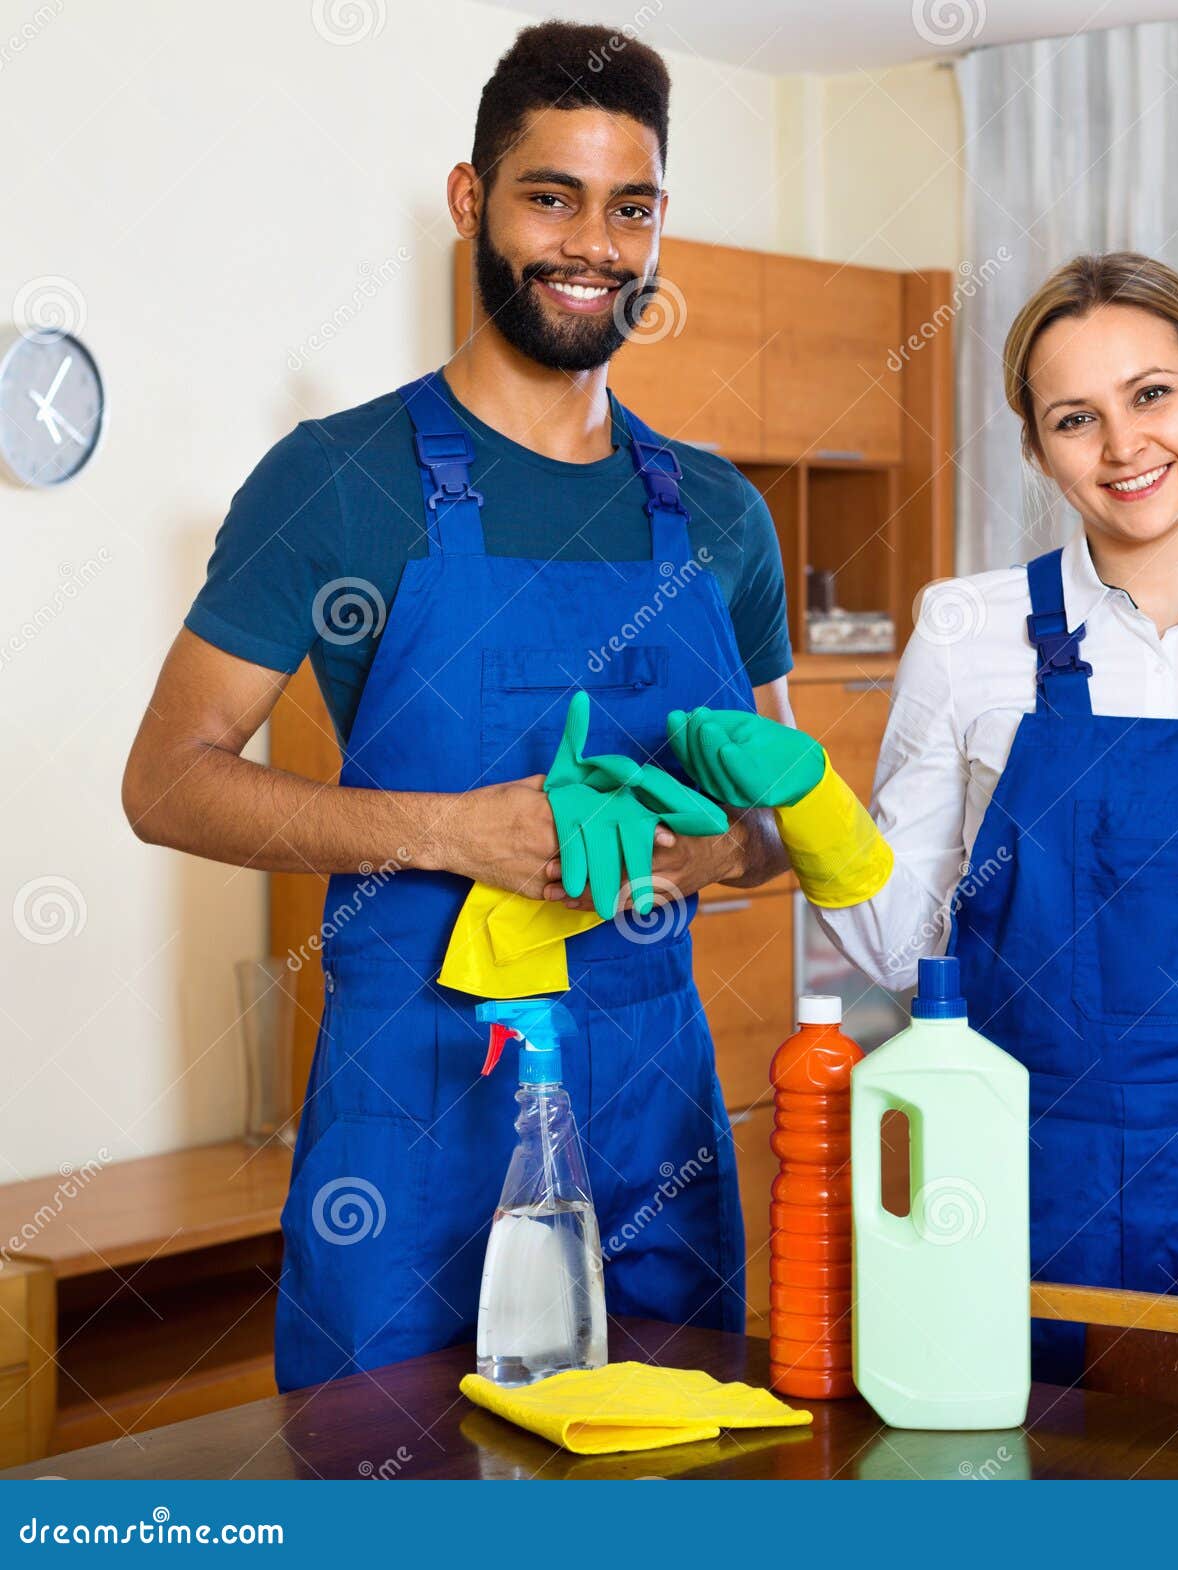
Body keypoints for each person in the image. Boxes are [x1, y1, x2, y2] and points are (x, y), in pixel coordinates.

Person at [665, 253, 1178, 1383]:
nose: (1122, 446)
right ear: (1036, 446)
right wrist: (815, 802)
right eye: (1076, 417)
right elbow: (907, 940)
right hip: (1010, 1181)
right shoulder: (968, 632)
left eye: (1152, 394)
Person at [120, 21, 796, 1391]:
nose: (592, 243)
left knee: (669, 1478)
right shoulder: (336, 477)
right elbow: (167, 780)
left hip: (649, 1097)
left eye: (631, 206)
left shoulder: (720, 512)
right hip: (412, 1094)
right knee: (390, 1478)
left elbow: (785, 825)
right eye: (552, 196)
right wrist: (455, 831)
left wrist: (716, 850)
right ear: (472, 199)